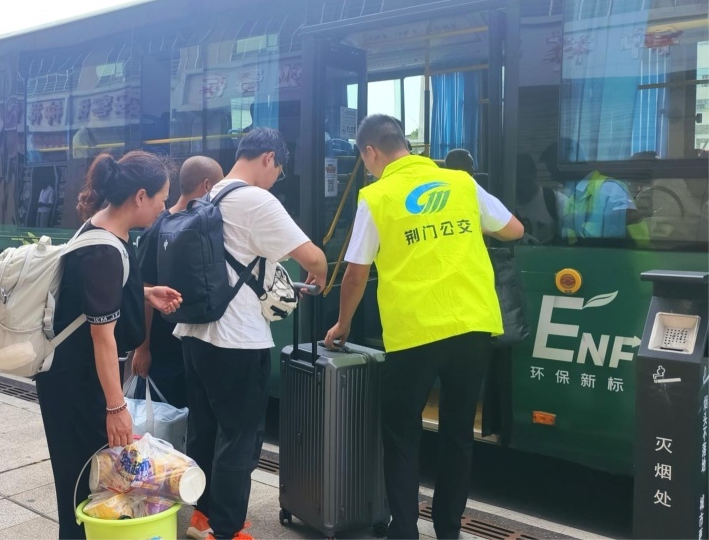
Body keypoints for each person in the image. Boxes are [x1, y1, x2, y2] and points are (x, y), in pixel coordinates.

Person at [323, 115, 523, 540]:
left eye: (365, 160)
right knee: (458, 433)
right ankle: (448, 531)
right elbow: (513, 229)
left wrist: (343, 324)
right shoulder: (461, 183)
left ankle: (405, 531)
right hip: (472, 326)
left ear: (370, 152)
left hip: (414, 331)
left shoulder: (376, 196)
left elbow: (355, 274)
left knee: (401, 435)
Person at [174, 128, 328, 540]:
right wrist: (322, 273)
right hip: (237, 339)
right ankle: (226, 530)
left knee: (204, 430)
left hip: (194, 333)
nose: (276, 178)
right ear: (269, 158)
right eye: (279, 169)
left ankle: (202, 516)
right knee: (239, 437)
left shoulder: (206, 196)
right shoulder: (257, 200)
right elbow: (312, 256)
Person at [34, 150, 183, 539]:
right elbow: (102, 337)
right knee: (85, 485)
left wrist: (144, 293)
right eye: (162, 198)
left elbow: (96, 297)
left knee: (94, 481)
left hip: (79, 376)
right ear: (140, 196)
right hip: (77, 383)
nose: (163, 208)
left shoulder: (104, 231)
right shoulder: (102, 250)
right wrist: (116, 408)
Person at [132, 155, 225, 408]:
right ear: (207, 186)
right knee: (163, 415)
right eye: (218, 188)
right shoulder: (157, 229)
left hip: (192, 345)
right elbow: (145, 291)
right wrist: (142, 348)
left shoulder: (205, 227)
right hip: (162, 347)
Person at [514, 153, 564, 245]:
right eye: (516, 180)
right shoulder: (501, 206)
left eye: (523, 179)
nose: (519, 185)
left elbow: (571, 241)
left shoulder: (556, 201)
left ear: (534, 174)